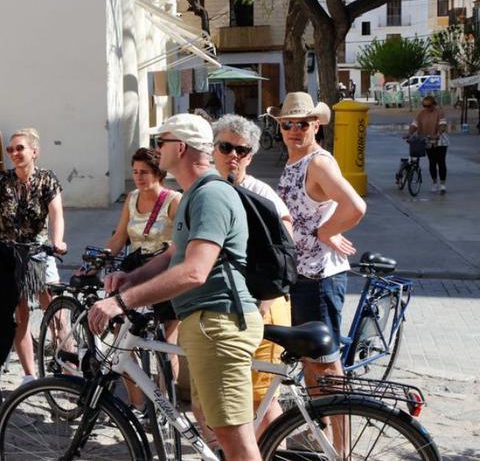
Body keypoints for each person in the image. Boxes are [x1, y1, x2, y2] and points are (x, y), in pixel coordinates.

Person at [87, 114, 263, 461]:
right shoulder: (192, 195)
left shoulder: (210, 195)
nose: (156, 149)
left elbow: (194, 272)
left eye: (160, 142)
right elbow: (173, 254)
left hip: (219, 322)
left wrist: (121, 302)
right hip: (206, 323)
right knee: (211, 424)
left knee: (235, 439)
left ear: (179, 147)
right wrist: (132, 277)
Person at [273, 92, 366, 392]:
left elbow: (356, 206)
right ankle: (320, 426)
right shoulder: (294, 160)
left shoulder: (318, 163)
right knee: (308, 358)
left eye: (302, 124)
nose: (294, 130)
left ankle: (339, 437)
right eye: (288, 124)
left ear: (316, 125)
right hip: (301, 274)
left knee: (325, 362)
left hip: (319, 277)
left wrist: (326, 232)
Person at [211, 114, 296, 435]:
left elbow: (286, 242)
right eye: (226, 147)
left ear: (251, 155)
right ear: (213, 148)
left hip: (263, 304)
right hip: (231, 306)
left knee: (262, 397)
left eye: (242, 150)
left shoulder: (259, 193)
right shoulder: (213, 188)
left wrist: (267, 296)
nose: (233, 155)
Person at [0, 127, 67, 385]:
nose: (14, 153)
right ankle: (30, 376)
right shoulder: (0, 181)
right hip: (9, 254)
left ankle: (68, 362)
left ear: (35, 151)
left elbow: (56, 213)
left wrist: (57, 241)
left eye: (20, 148)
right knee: (19, 315)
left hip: (40, 251)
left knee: (55, 310)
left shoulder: (47, 180)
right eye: (10, 149)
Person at [103, 147, 181, 407]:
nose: (138, 177)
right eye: (135, 172)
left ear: (158, 173)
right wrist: (100, 258)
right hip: (134, 271)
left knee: (167, 343)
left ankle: (164, 407)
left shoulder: (174, 200)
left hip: (164, 272)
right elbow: (119, 236)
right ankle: (138, 404)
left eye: (144, 172)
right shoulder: (131, 198)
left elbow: (181, 244)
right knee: (121, 338)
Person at [408, 94, 449, 193]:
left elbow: (442, 125)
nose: (427, 108)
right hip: (427, 141)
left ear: (433, 104)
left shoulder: (439, 113)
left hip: (440, 142)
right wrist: (409, 133)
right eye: (424, 106)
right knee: (432, 162)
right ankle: (434, 182)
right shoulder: (421, 114)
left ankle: (443, 184)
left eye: (429, 106)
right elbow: (415, 124)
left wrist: (438, 133)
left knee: (441, 162)